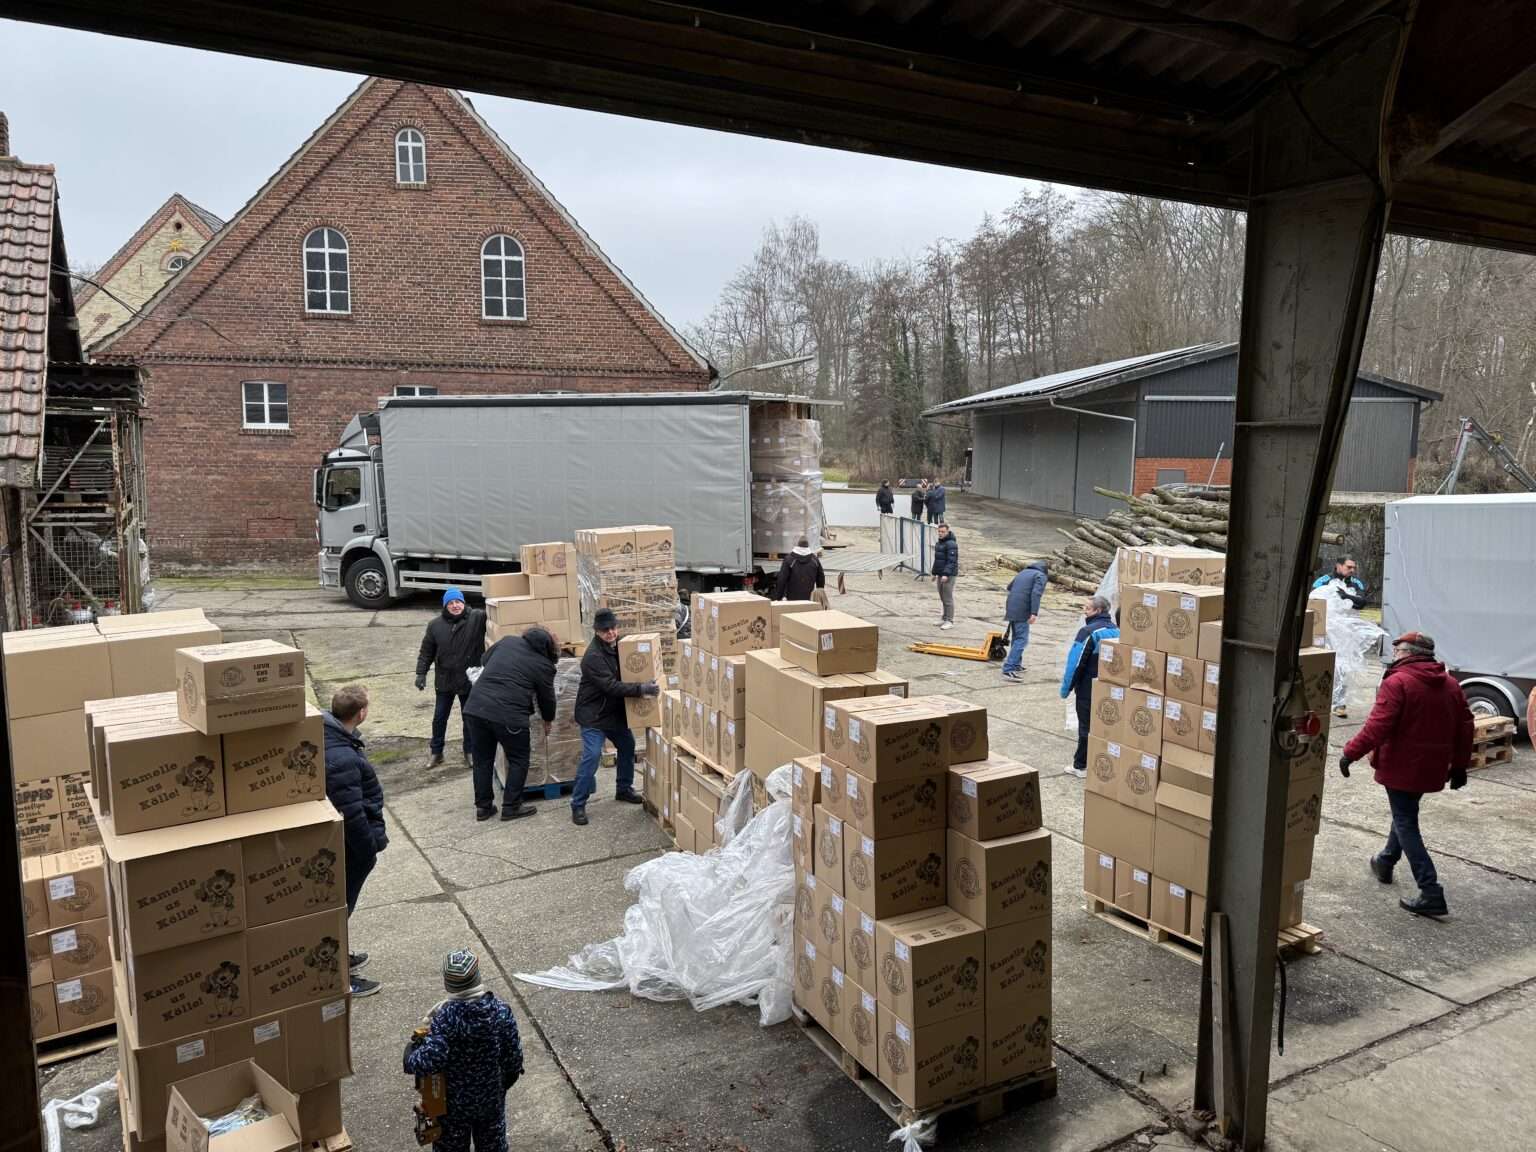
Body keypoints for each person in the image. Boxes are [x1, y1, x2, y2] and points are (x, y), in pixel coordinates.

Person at [1340, 632, 1472, 918]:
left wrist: (1350, 752)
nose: (1395, 654)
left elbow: (1378, 725)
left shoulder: (1398, 682)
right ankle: (1386, 861)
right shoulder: (1450, 684)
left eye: (1397, 649)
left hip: (1402, 766)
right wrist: (1460, 765)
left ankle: (1431, 891)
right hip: (1432, 767)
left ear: (1408, 652)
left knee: (1405, 820)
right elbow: (1465, 726)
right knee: (1405, 813)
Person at [403, 949, 524, 1152]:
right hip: (490, 1099)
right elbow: (514, 1057)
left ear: (447, 984)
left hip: (453, 1105)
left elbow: (428, 1060)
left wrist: (410, 1055)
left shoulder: (445, 1018)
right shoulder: (500, 1011)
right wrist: (503, 1083)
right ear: (478, 977)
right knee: (493, 1146)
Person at [323, 684, 385, 997]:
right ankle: (339, 976)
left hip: (345, 845)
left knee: (338, 908)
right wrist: (371, 847)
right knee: (338, 909)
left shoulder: (332, 736)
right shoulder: (342, 757)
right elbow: (352, 814)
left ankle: (338, 959)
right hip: (351, 848)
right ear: (361, 713)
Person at [463, 626, 559, 822]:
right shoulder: (544, 665)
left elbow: (484, 660)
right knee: (519, 759)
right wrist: (548, 719)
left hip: (475, 708)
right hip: (509, 715)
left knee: (482, 760)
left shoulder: (507, 642)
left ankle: (483, 807)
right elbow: (547, 699)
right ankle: (511, 807)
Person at [571, 608, 656, 826]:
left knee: (627, 745)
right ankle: (578, 804)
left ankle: (623, 789)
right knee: (591, 757)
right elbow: (610, 686)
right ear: (597, 631)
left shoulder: (619, 646)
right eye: (605, 630)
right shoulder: (592, 657)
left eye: (613, 628)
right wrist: (641, 688)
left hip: (614, 713)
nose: (610, 633)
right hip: (594, 716)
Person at [416, 587, 487, 767]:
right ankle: (436, 752)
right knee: (439, 718)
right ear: (445, 605)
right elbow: (426, 652)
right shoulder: (435, 625)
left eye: (458, 602)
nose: (455, 606)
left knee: (469, 718)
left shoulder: (477, 618)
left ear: (463, 603)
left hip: (467, 678)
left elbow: (497, 613)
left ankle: (469, 751)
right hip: (445, 679)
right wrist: (421, 673)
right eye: (451, 603)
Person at [1060, 596, 1118, 778]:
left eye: (1087, 608)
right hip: (1111, 688)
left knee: (1086, 727)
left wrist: (1066, 688)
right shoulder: (1117, 630)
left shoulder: (1088, 632)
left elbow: (1075, 663)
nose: (1084, 610)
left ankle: (1081, 765)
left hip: (1088, 689)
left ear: (1098, 611)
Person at [1317, 556, 1380, 718]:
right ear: (1338, 566)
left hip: (1345, 632)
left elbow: (1362, 602)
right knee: (1322, 663)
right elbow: (1314, 599)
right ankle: (1319, 700)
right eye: (1349, 567)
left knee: (1343, 665)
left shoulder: (1356, 582)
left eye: (1353, 567)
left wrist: (1345, 596)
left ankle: (1339, 703)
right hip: (1324, 629)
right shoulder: (1324, 580)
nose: (1352, 570)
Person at [1002, 560, 1048, 681]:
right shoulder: (1040, 576)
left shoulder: (1023, 572)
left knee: (1017, 637)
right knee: (1022, 639)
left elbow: (1009, 587)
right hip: (1023, 609)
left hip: (1011, 606)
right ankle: (1009, 669)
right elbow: (1036, 594)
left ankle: (1016, 664)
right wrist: (1034, 612)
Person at [772, 537, 825, 602]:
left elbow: (781, 579)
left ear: (798, 545)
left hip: (791, 599)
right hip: (809, 598)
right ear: (808, 546)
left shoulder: (789, 559)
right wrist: (820, 593)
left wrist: (778, 597)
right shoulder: (815, 560)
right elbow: (821, 577)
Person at [931, 521, 958, 631]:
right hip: (941, 574)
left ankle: (950, 620)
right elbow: (938, 560)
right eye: (939, 532)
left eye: (943, 532)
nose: (941, 534)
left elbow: (951, 561)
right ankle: (944, 618)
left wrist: (946, 574)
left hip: (948, 575)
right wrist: (934, 573)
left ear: (948, 532)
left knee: (947, 598)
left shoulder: (951, 544)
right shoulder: (940, 543)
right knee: (942, 597)